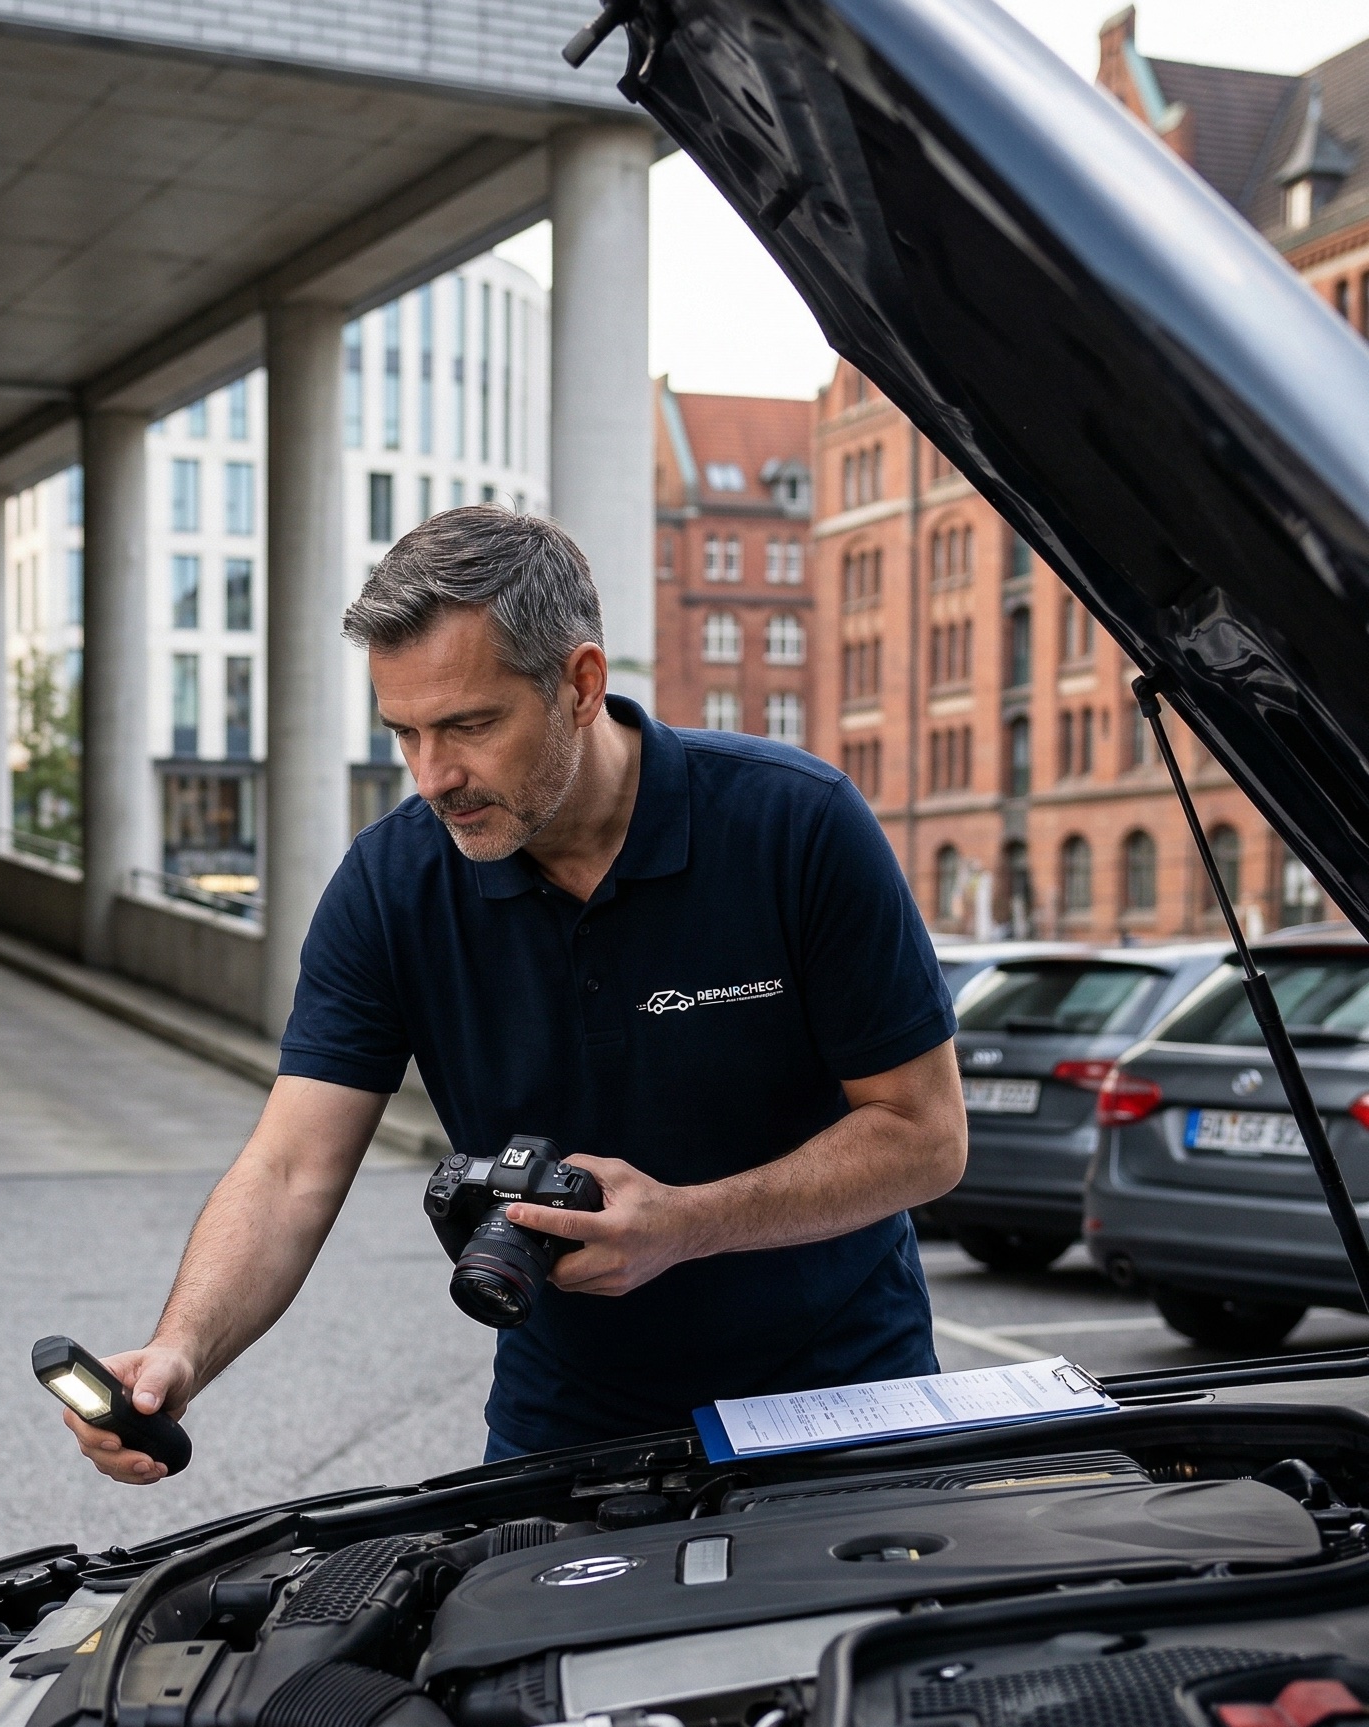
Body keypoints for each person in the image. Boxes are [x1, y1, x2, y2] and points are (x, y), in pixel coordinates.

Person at [66, 505, 966, 1483]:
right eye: (403, 731)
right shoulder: (389, 884)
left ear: (579, 683)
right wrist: (179, 1352)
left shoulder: (795, 823)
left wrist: (684, 1221)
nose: (432, 774)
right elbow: (289, 1170)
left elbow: (923, 1134)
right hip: (564, 1420)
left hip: (844, 1401)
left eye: (468, 725)